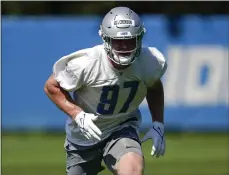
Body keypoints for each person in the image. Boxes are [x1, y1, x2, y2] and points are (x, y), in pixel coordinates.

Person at [44, 6, 167, 175]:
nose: (124, 47)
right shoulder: (86, 63)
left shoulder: (149, 61)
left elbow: (154, 87)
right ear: (106, 40)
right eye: (118, 41)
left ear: (139, 38)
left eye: (130, 40)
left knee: (132, 171)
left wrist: (158, 123)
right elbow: (52, 86)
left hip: (122, 127)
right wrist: (77, 114)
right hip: (84, 136)